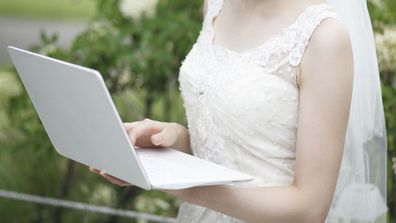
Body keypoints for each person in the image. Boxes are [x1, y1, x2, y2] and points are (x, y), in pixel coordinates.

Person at [90, 0, 388, 222]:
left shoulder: (323, 37)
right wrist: (173, 138)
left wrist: (179, 186)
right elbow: (232, 139)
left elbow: (309, 209)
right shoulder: (217, 5)